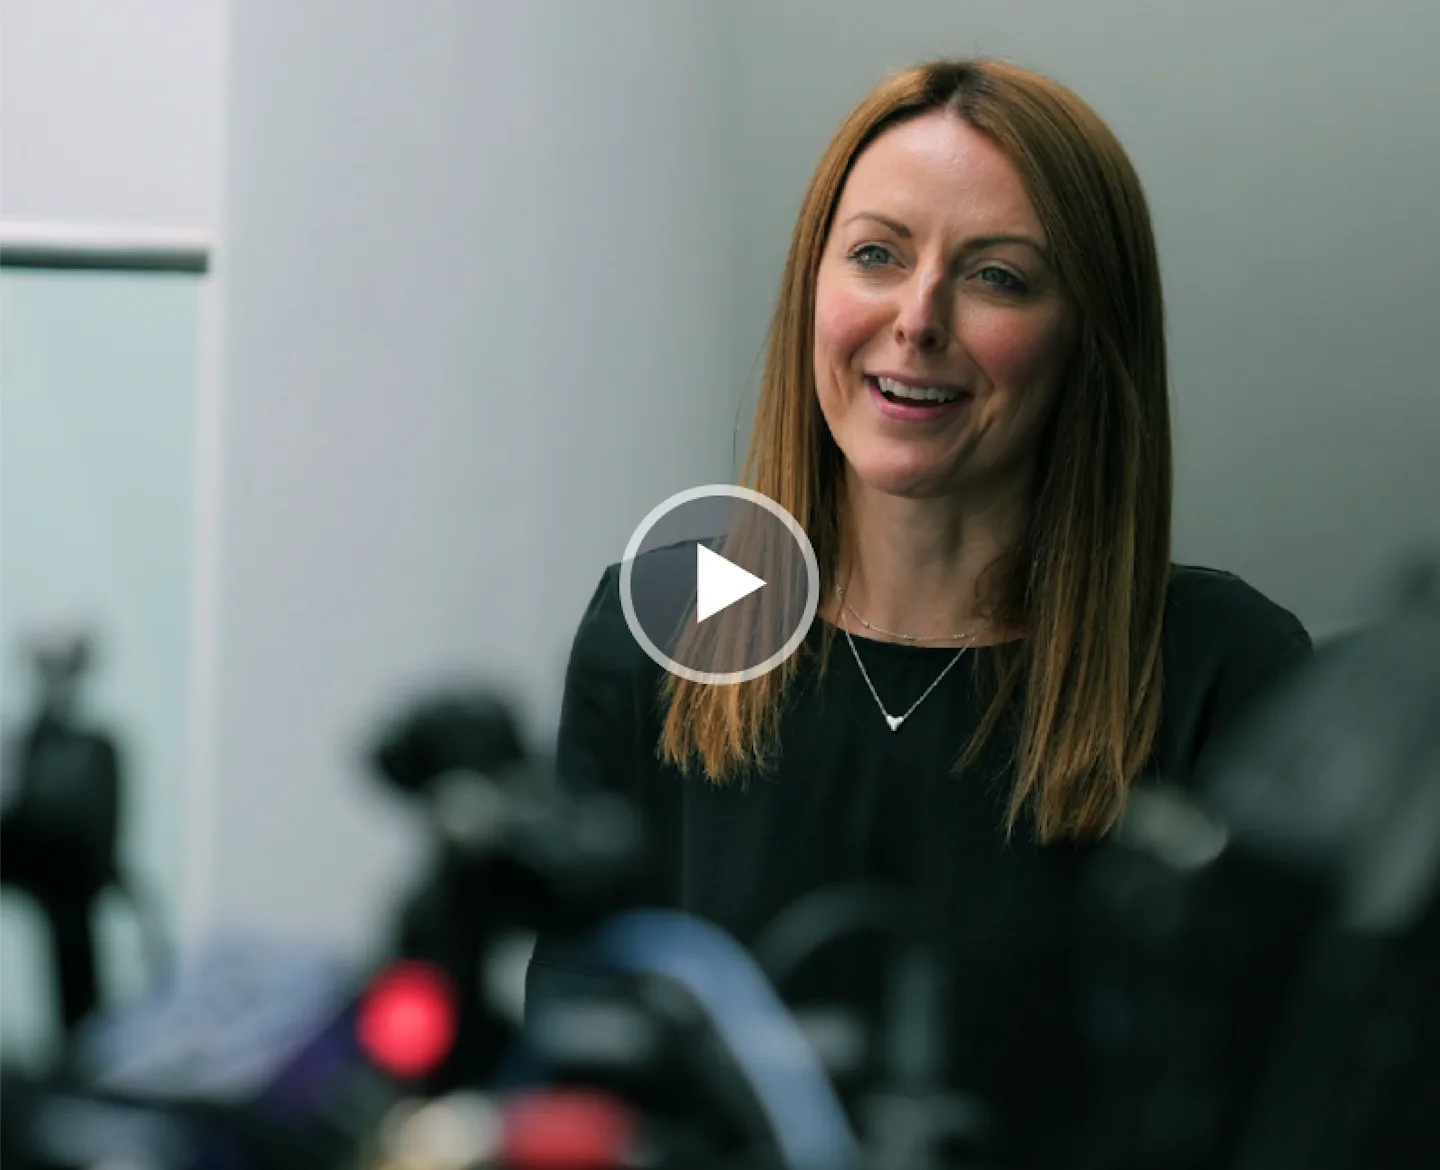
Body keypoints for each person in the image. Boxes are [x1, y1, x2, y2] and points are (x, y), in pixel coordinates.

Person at [529, 58, 1312, 1167]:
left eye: (997, 276)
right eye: (877, 255)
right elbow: (575, 1079)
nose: (918, 318)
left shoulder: (1229, 673)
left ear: (1089, 333)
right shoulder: (664, 618)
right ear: (813, 285)